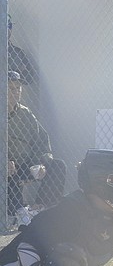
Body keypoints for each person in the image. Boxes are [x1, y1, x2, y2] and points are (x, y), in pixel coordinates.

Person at [7, 70, 66, 222]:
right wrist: (3, 160)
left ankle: (41, 209)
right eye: (11, 88)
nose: (16, 92)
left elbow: (42, 141)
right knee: (8, 174)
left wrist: (41, 163)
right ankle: (17, 213)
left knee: (58, 166)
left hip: (25, 164)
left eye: (18, 88)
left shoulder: (26, 114)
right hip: (6, 167)